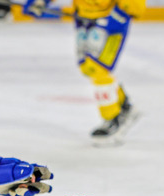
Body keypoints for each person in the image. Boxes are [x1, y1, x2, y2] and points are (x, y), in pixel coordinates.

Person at [23, 0, 145, 145]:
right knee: (87, 67)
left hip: (110, 19)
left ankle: (113, 117)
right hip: (84, 19)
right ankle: (125, 107)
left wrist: (122, 14)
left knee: (97, 67)